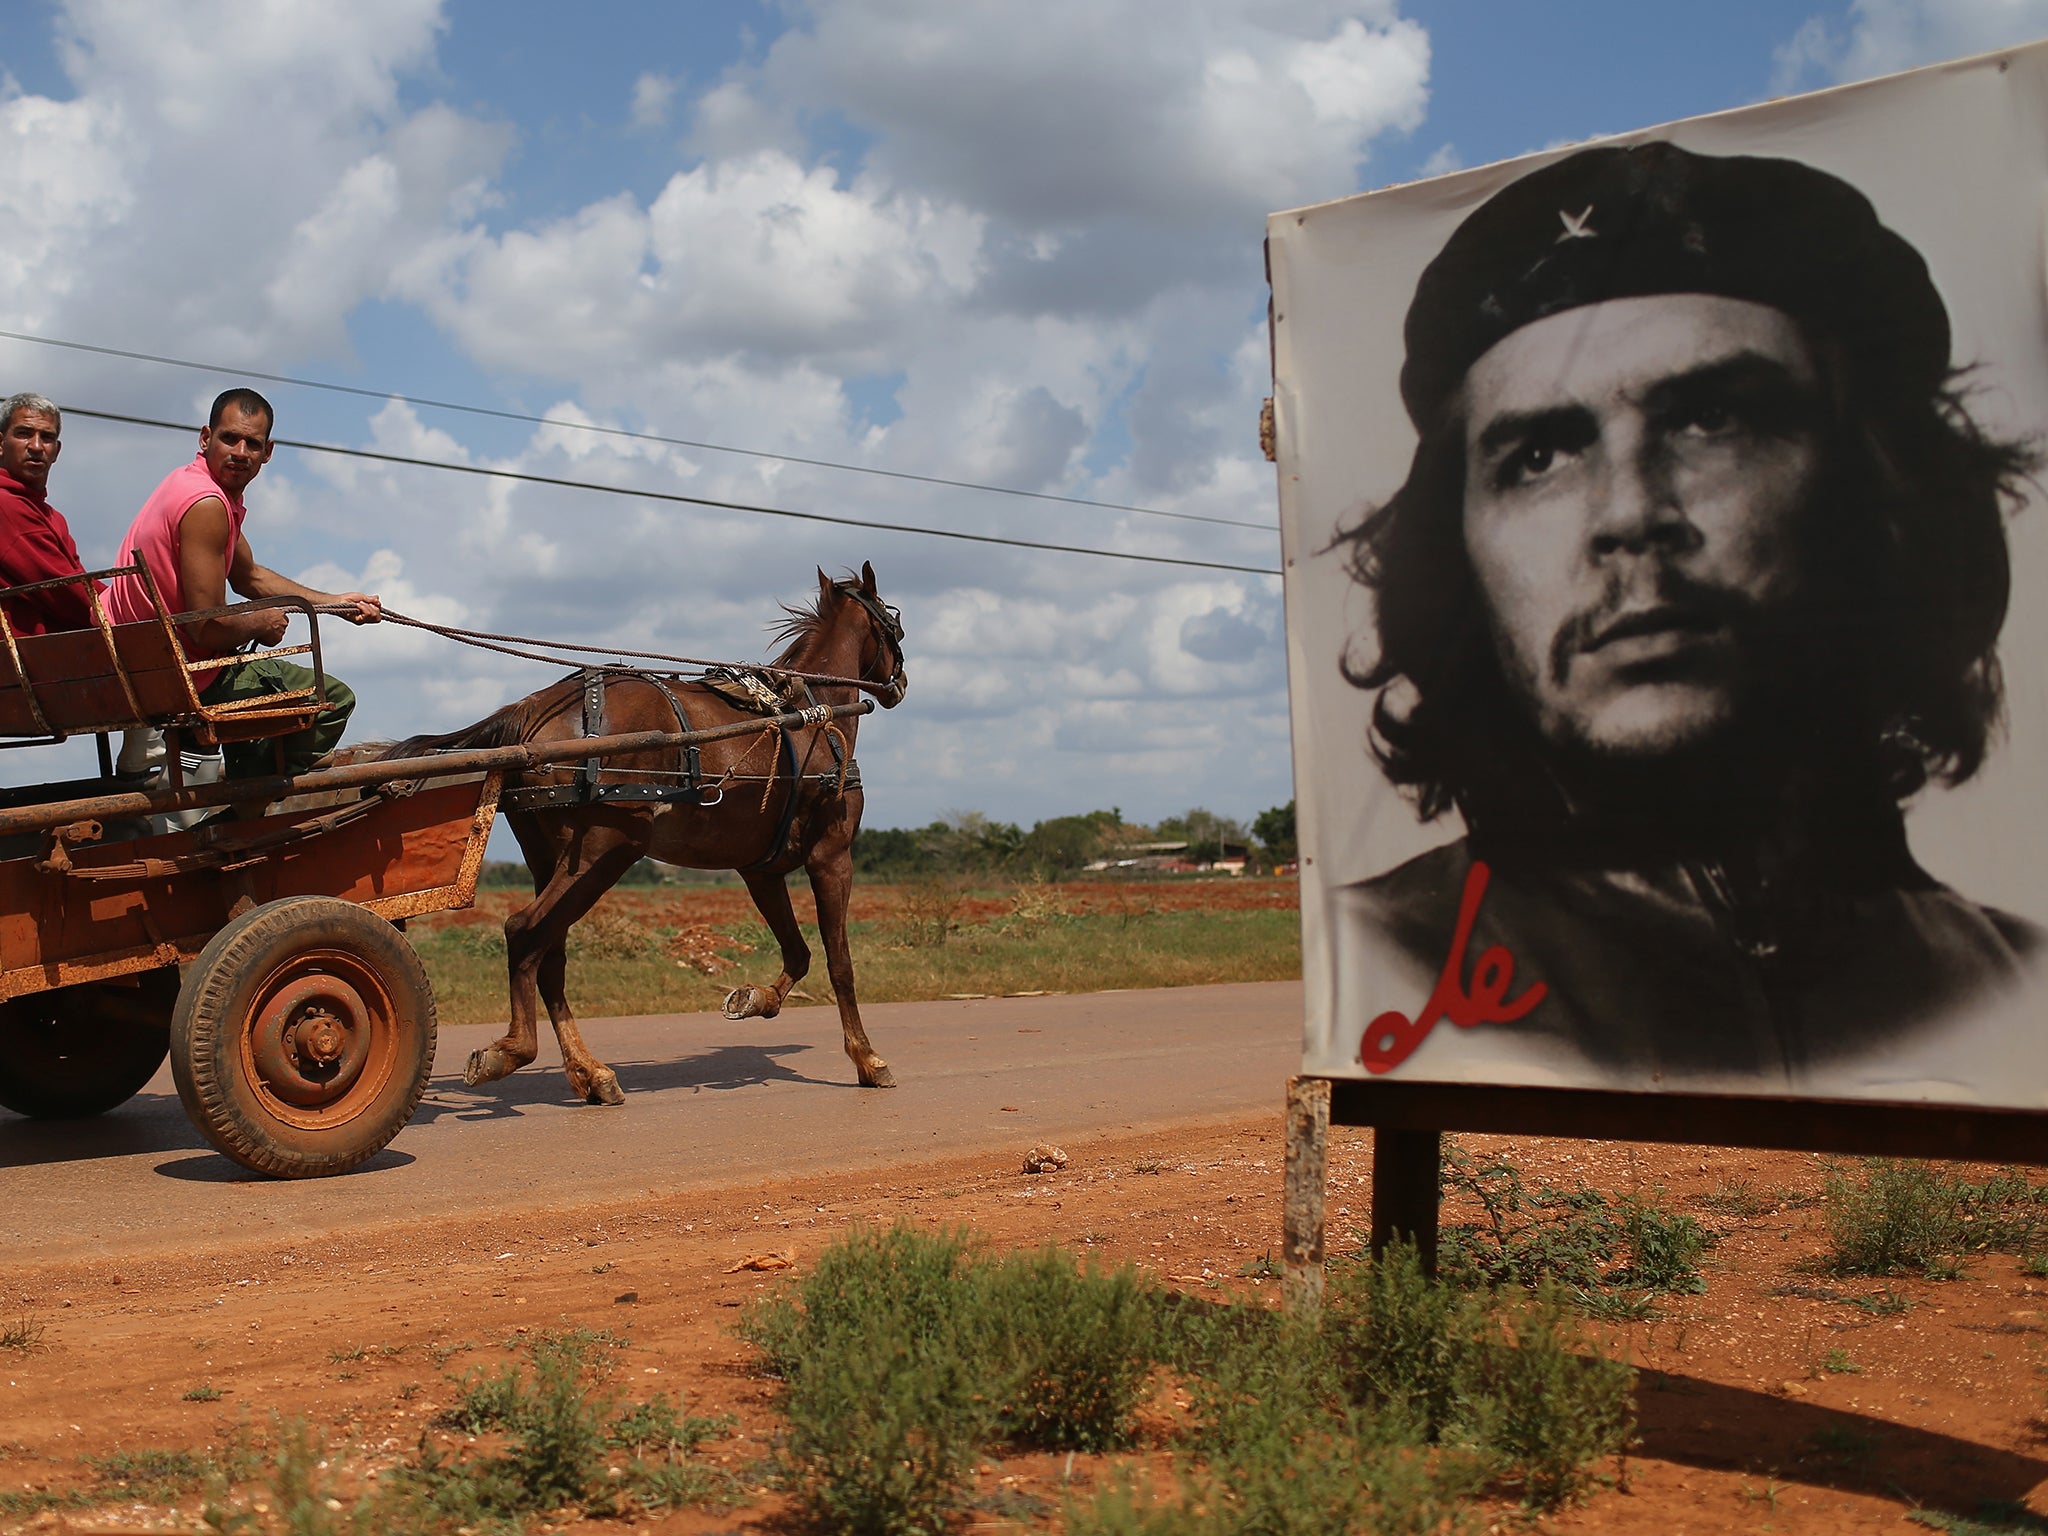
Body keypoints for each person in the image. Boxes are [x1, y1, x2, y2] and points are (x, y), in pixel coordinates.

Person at [1333, 141, 2041, 1087]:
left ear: (1876, 490)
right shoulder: (1371, 960)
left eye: (1714, 420)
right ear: (1454, 554)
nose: (1630, 514)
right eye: (1540, 456)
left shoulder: (2013, 984)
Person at [104, 387, 382, 780]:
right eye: (229, 438)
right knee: (334, 699)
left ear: (267, 452)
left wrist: (334, 603)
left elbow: (249, 576)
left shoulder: (190, 485)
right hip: (182, 676)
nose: (239, 452)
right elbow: (205, 626)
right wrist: (259, 623)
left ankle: (244, 780)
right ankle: (247, 808)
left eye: (251, 443)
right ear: (206, 438)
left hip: (150, 666)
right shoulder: (207, 506)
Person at [0, 392, 100, 637]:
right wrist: (132, 610)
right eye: (24, 434)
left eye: (47, 438)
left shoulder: (53, 517)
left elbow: (77, 584)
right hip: (19, 668)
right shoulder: (5, 505)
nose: (36, 447)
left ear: (56, 451)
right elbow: (68, 592)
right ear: (1, 444)